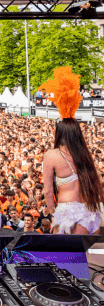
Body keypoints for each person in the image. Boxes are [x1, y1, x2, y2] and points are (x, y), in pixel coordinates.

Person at [40, 67, 104, 234]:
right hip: (90, 212)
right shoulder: (84, 154)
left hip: (67, 213)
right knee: (86, 252)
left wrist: (53, 213)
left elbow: (48, 191)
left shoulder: (52, 155)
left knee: (64, 251)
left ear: (59, 133)